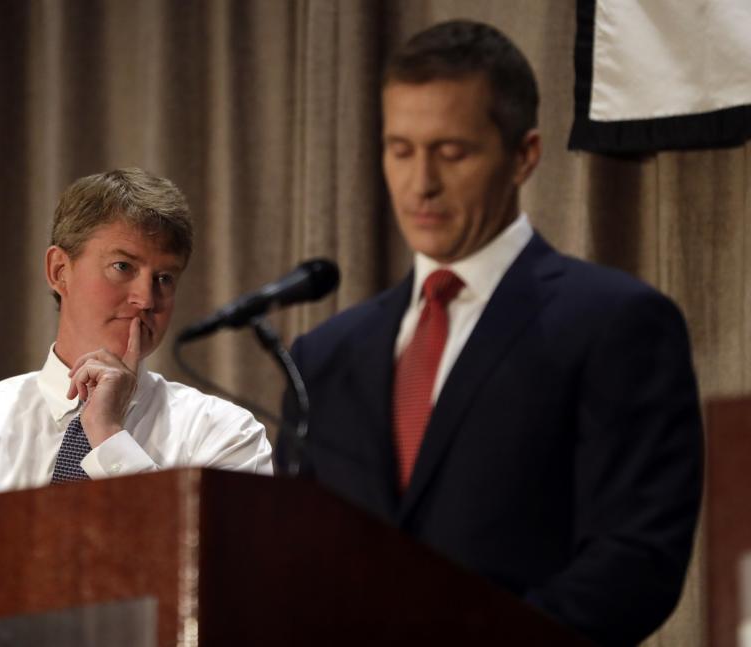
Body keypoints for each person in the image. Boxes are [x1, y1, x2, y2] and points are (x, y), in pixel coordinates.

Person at [278, 20, 702, 647]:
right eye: (400, 149)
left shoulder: (615, 322)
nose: (420, 183)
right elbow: (296, 571)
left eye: (452, 153)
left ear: (524, 155)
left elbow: (637, 560)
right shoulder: (326, 356)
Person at [0, 168, 273, 507]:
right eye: (122, 267)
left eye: (164, 278)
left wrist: (109, 437)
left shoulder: (225, 434)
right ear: (59, 271)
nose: (145, 298)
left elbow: (219, 571)